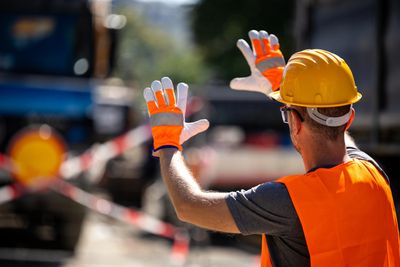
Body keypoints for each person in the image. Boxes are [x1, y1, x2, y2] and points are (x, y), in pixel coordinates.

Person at [143, 30, 400, 266]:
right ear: (350, 118)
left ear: (295, 123)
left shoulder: (287, 202)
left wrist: (168, 144)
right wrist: (283, 90)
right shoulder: (373, 174)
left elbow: (188, 206)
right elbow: (342, 139)